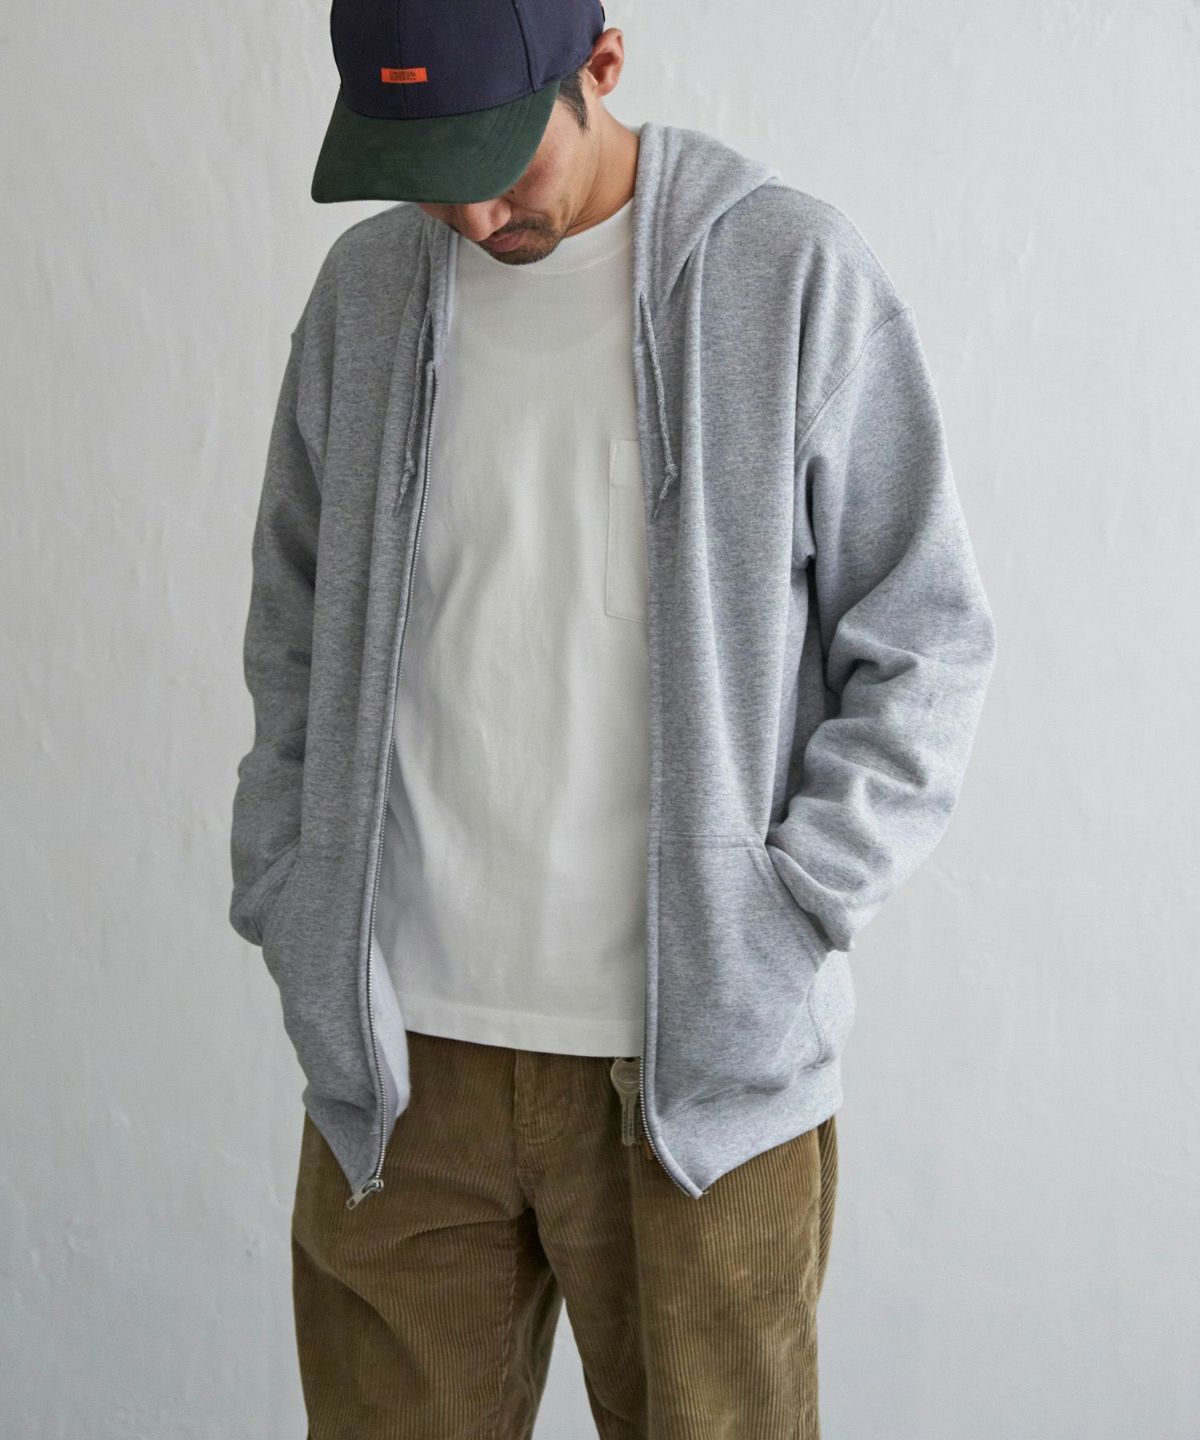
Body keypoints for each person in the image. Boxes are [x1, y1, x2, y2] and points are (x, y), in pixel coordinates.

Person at [227, 1, 998, 1435]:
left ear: (601, 67)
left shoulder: (785, 274)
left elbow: (927, 635)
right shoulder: (365, 297)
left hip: (693, 1079)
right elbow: (293, 622)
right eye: (427, 170)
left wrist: (789, 909)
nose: (472, 211)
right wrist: (292, 885)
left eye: (498, 158)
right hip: (399, 1079)